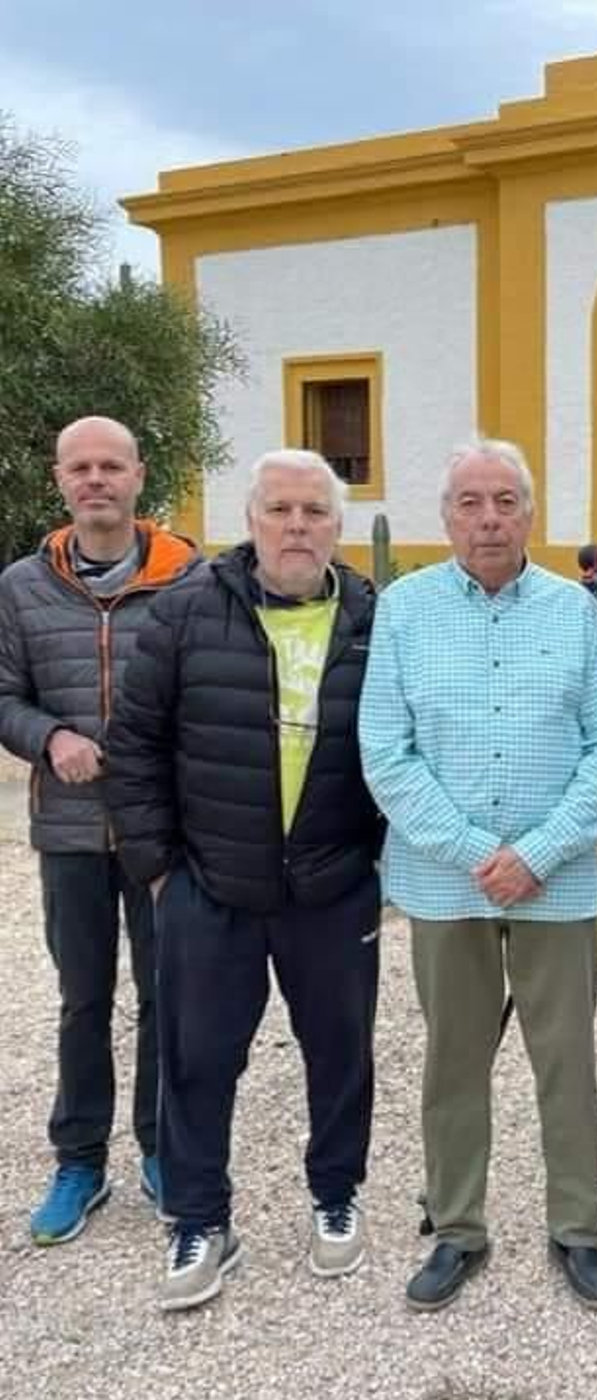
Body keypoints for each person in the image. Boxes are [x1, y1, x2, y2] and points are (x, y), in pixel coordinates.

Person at [359, 437, 597, 1315]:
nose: (489, 518)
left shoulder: (575, 612)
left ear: (530, 513)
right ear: (446, 516)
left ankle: (578, 1229)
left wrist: (539, 852)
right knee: (452, 1060)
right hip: (446, 882)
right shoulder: (403, 611)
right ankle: (457, 1228)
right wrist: (476, 850)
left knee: (567, 1061)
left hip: (555, 881)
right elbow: (385, 752)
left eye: (505, 501)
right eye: (471, 502)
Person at [105, 449, 383, 1312]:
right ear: (251, 520)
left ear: (337, 527)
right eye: (279, 510)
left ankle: (335, 1196)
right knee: (196, 1059)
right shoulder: (187, 611)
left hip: (333, 888)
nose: (296, 526)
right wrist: (157, 871)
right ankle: (200, 1218)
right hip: (210, 887)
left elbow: (408, 741)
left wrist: (378, 855)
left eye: (314, 512)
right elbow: (134, 747)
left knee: (340, 1053)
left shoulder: (379, 619)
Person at [0, 416, 202, 1245]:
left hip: (163, 833)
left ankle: (163, 1151)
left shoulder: (191, 579)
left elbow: (214, 690)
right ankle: (79, 1160)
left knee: (168, 998)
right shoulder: (20, 586)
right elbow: (4, 696)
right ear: (60, 482)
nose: (96, 480)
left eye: (110, 465)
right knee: (84, 999)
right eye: (80, 467)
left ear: (137, 476)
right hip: (71, 832)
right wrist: (50, 738)